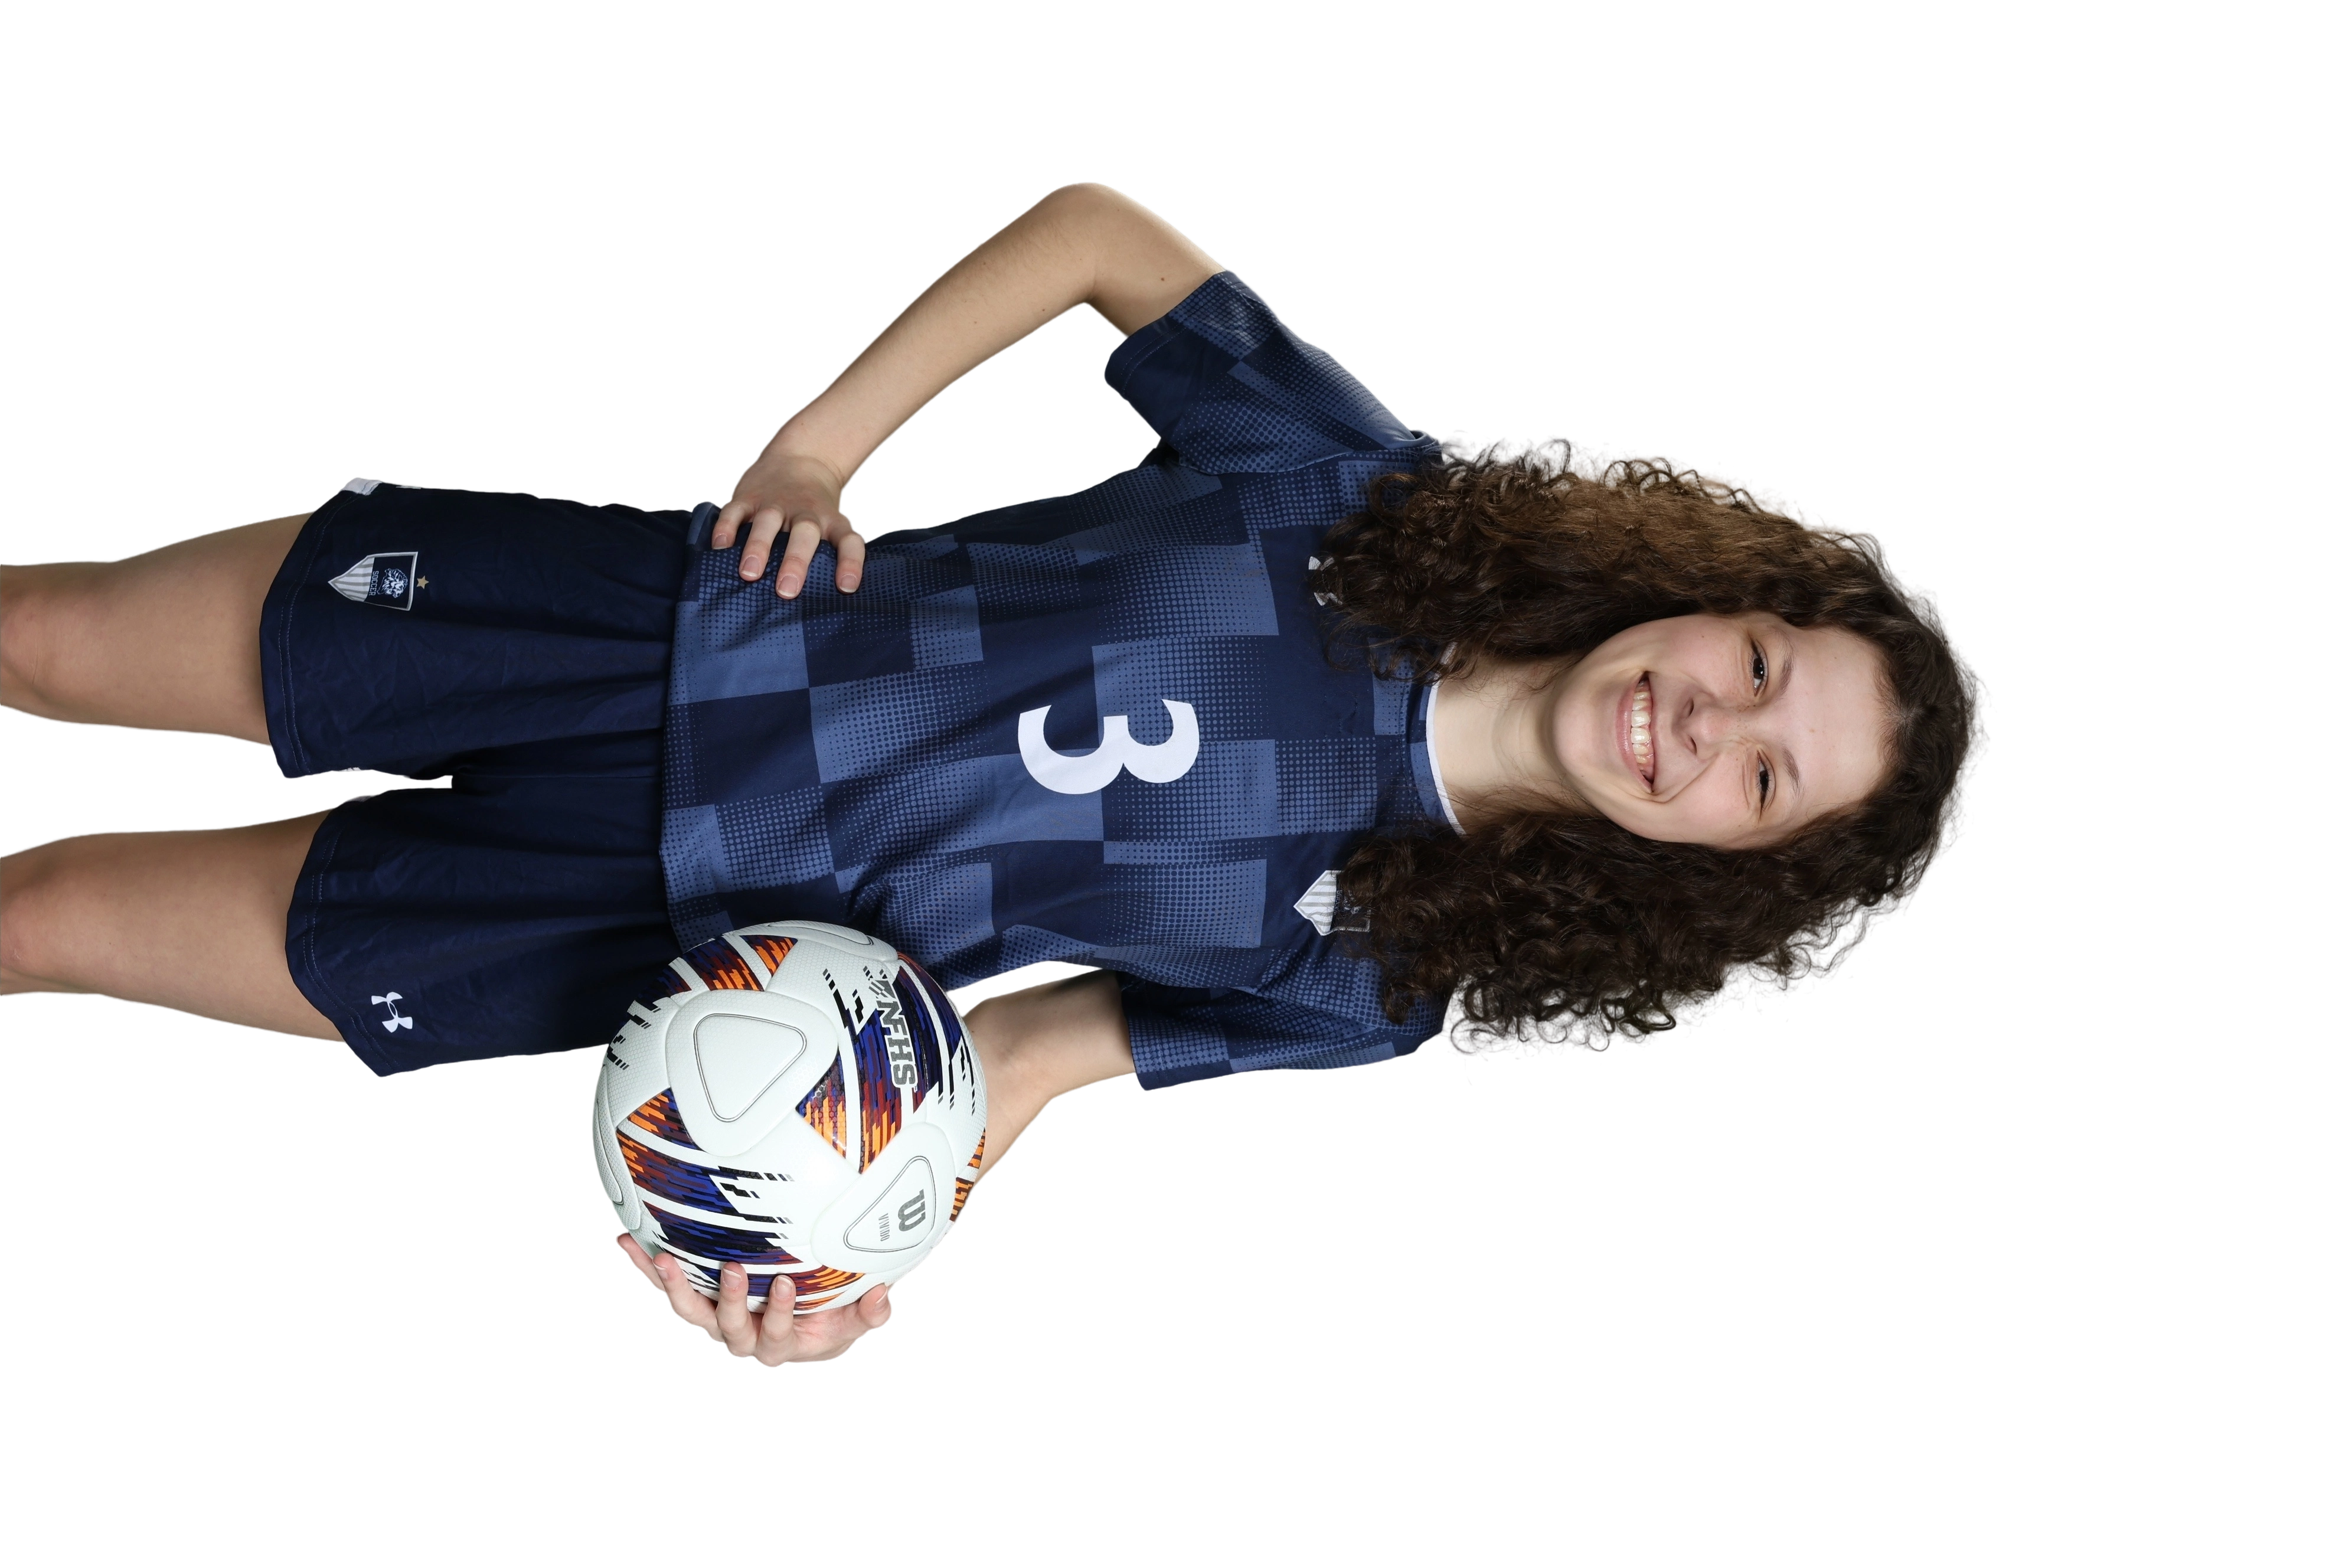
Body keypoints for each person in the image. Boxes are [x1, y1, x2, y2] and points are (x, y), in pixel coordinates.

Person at [0, 181, 1993, 1368]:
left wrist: (827, 1251)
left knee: (50, 919)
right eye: (1758, 667)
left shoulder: (1403, 972)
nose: (1705, 726)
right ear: (1715, 594)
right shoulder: (1367, 493)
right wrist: (814, 451)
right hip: (650, 630)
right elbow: (1101, 235)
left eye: (1764, 783)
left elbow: (1026, 1057)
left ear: (1730, 867)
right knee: (50, 643)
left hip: (660, 944)